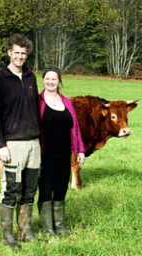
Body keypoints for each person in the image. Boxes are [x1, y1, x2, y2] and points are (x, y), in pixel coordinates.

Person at [0, 34, 41, 248]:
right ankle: (7, 234)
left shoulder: (30, 76)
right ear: (9, 52)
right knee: (11, 189)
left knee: (29, 189)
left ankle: (26, 230)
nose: (19, 56)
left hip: (33, 143)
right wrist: (0, 146)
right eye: (16, 52)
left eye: (23, 53)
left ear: (27, 54)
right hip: (12, 144)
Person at [38, 67, 85, 236]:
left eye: (54, 79)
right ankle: (47, 228)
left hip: (64, 153)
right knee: (45, 189)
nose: (50, 82)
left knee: (61, 188)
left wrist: (80, 150)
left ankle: (59, 225)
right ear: (43, 80)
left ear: (59, 81)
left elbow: (75, 127)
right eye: (47, 78)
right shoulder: (38, 101)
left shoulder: (67, 102)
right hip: (45, 154)